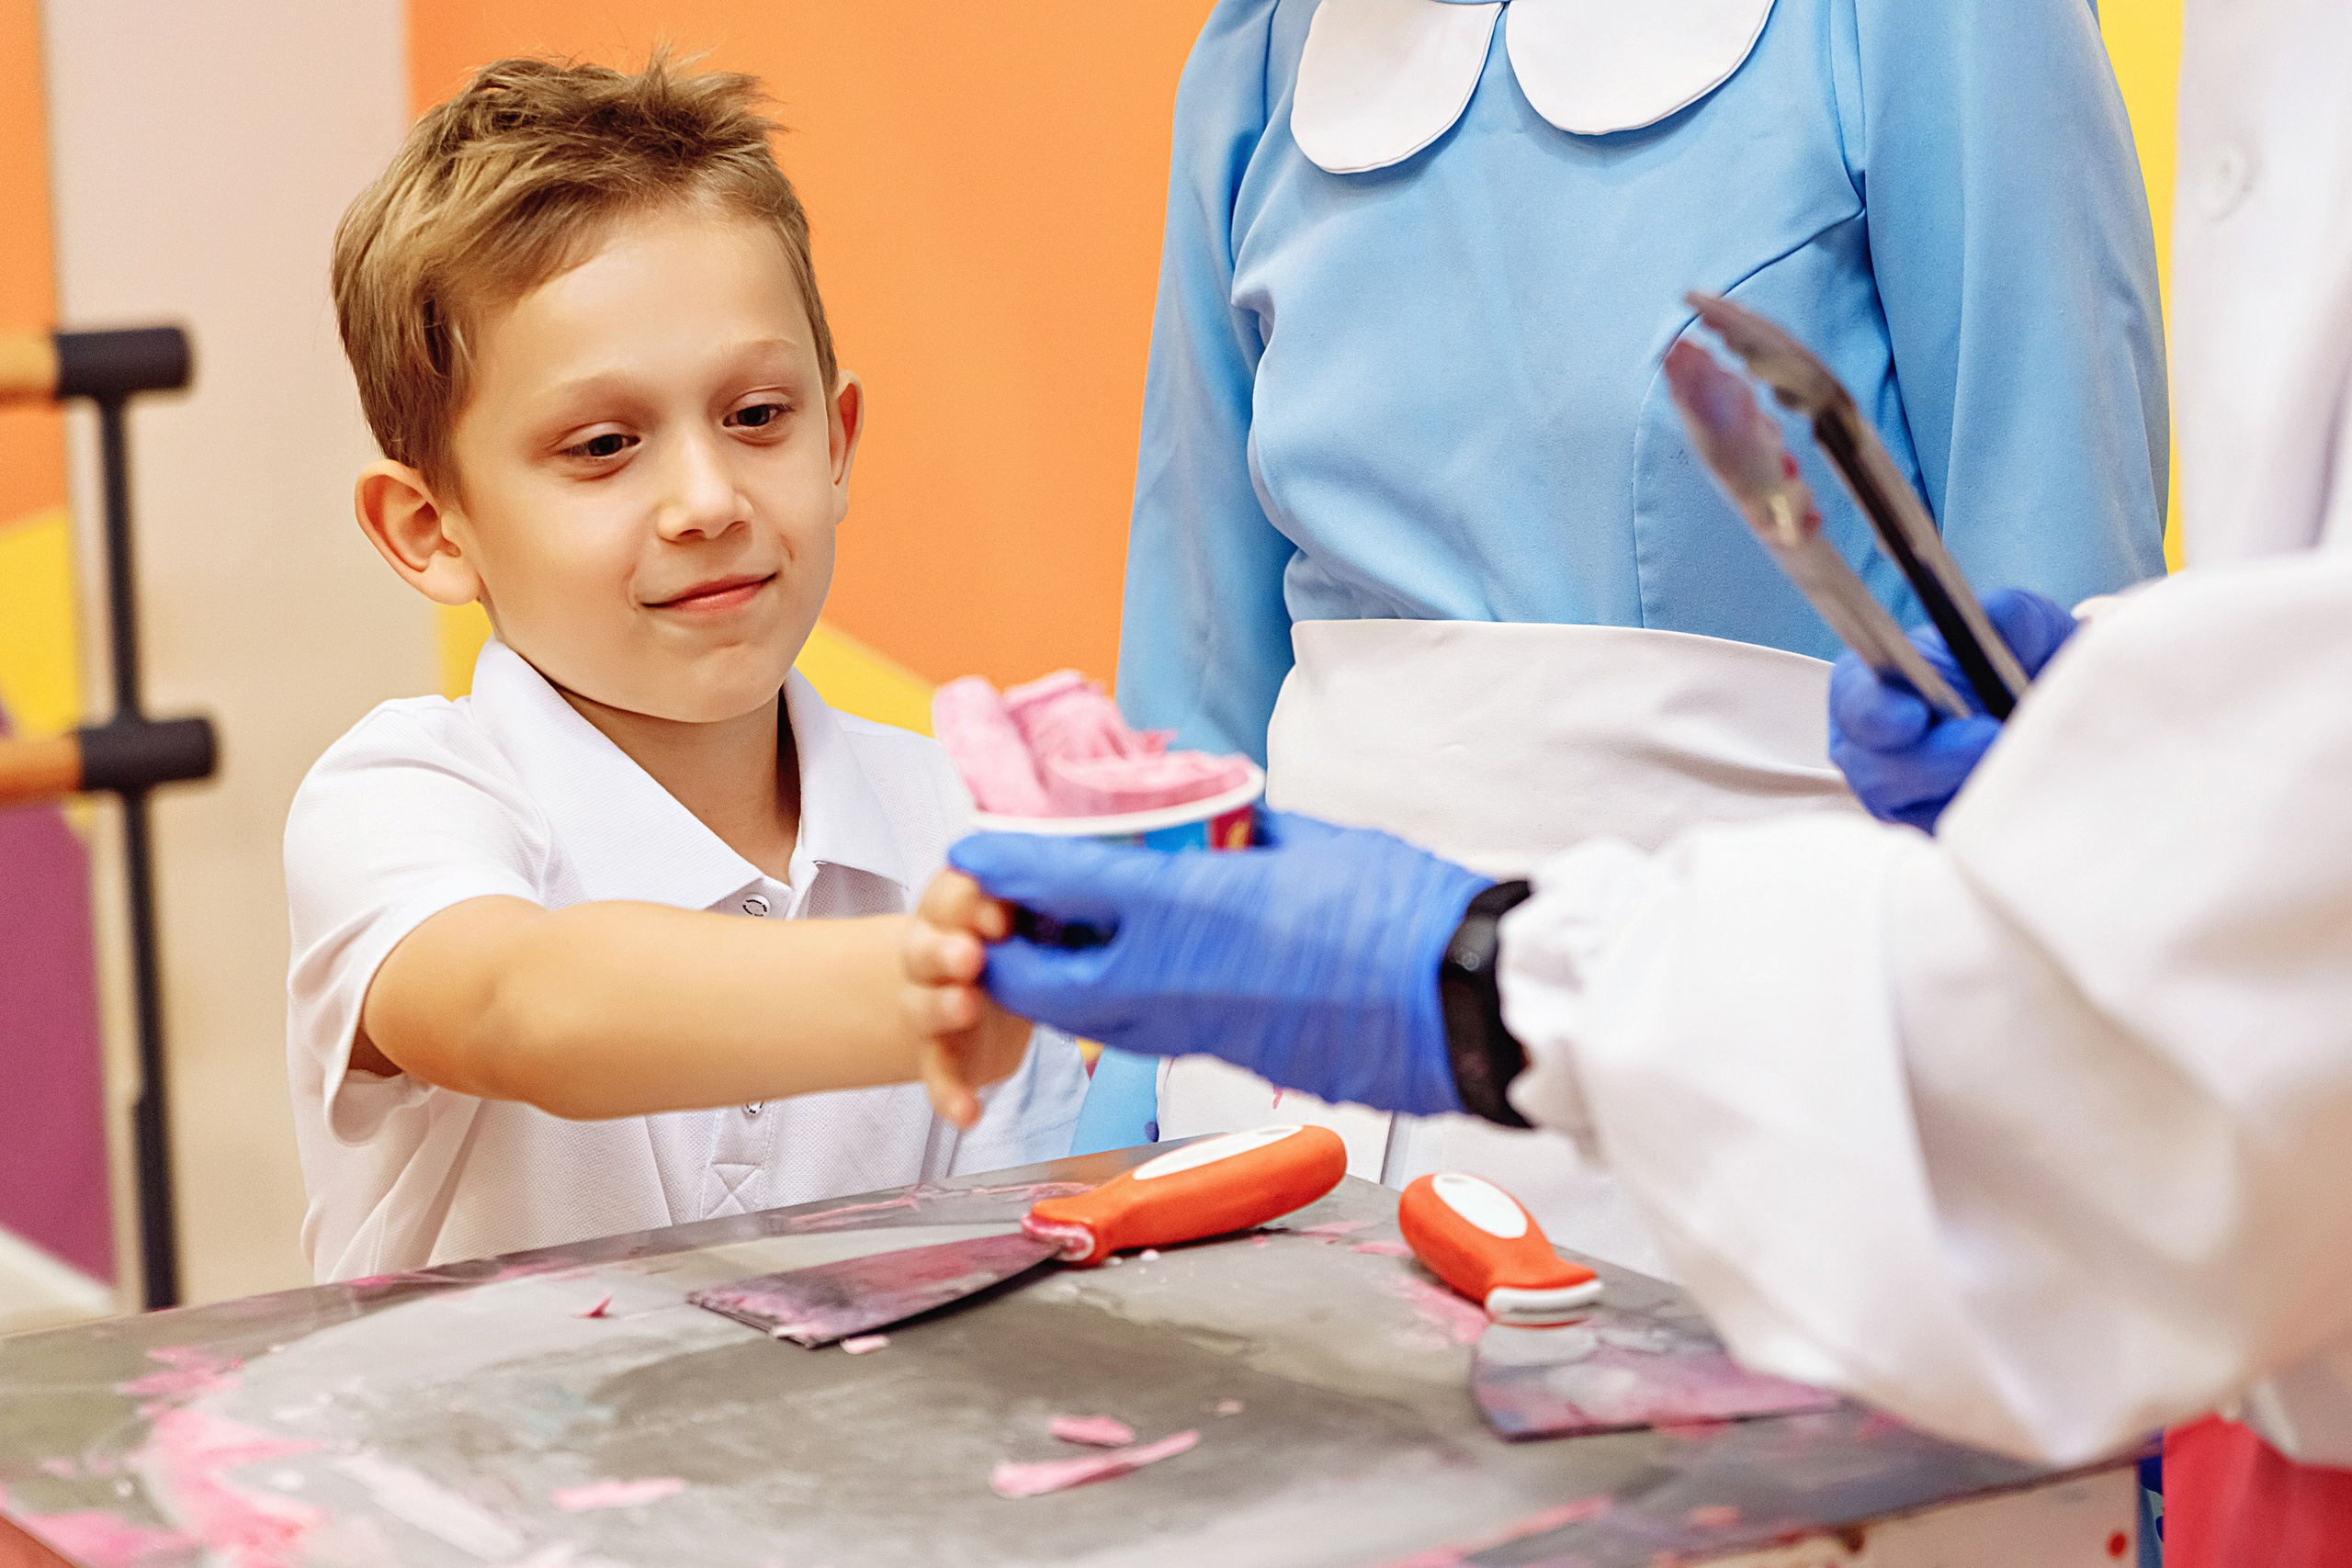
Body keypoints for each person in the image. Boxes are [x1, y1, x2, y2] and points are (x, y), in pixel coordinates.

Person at [904, 2, 2352, 1557]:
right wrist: (1091, 1184)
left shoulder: (1937, 26)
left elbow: (2082, 736)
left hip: (1792, 1140)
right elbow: (1194, 703)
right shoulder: (1263, 58)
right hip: (1280, 1160)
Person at [1080, 0, 2170, 1246]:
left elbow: (2060, 607)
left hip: (1762, 1088)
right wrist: (1122, 1113)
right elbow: (1195, 692)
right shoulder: (1263, 51)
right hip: (1283, 1113)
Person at [285, 56, 1082, 1283]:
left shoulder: (966, 827)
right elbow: (523, 1009)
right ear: (430, 530)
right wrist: (936, 984)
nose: (706, 501)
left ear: (838, 441)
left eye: (758, 417)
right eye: (603, 446)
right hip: (474, 1473)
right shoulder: (402, 797)